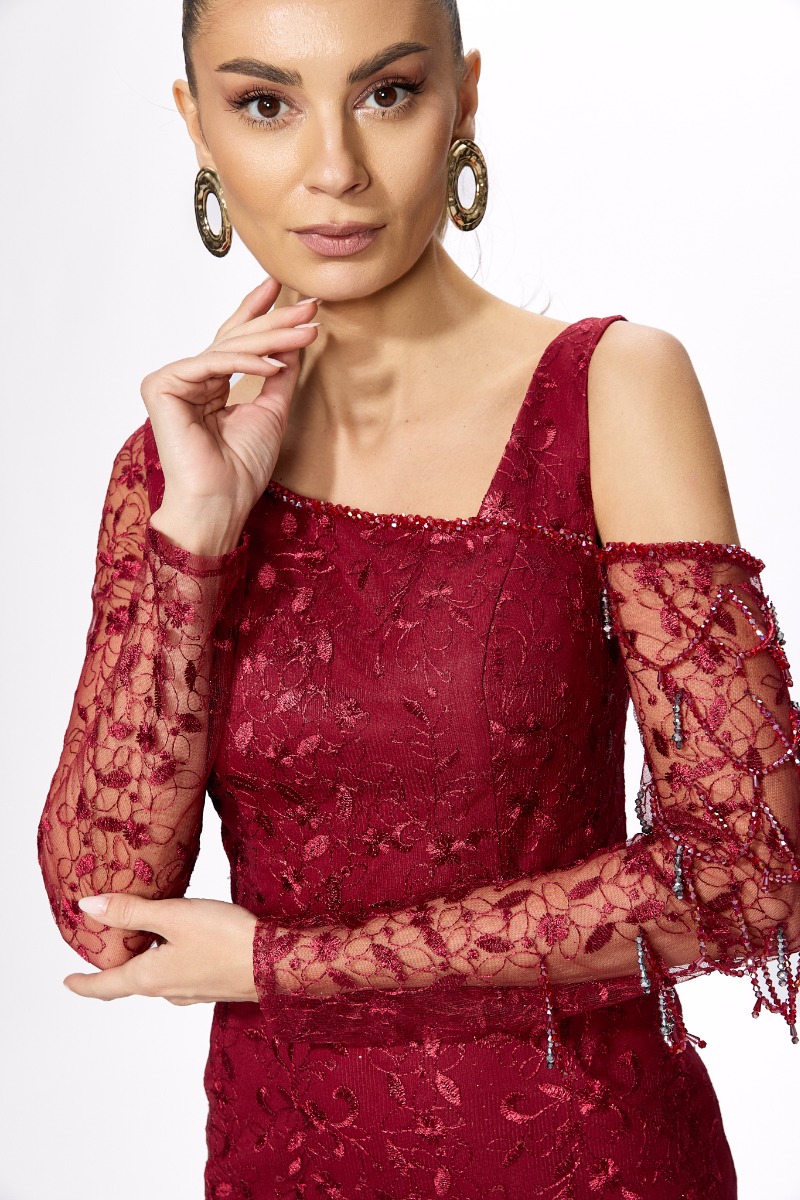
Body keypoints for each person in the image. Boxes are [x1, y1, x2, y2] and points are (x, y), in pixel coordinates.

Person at [37, 0, 799, 1196]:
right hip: (280, 1157)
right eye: (265, 104)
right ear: (196, 126)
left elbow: (744, 873)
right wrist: (193, 542)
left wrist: (283, 967)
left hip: (579, 1155)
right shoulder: (171, 467)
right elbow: (106, 917)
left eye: (385, 94)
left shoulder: (607, 389)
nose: (333, 167)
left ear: (463, 99)